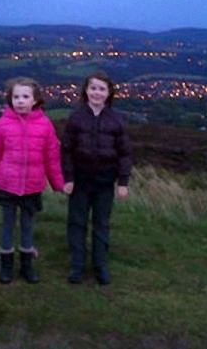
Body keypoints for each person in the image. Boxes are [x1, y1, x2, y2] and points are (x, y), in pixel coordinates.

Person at [0, 77, 65, 284]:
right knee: (7, 225)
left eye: (25, 96)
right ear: (10, 99)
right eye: (16, 96)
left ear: (35, 100)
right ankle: (6, 265)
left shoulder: (45, 125)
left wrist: (59, 184)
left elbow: (51, 158)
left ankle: (27, 265)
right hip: (6, 186)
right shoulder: (2, 125)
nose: (20, 101)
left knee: (27, 226)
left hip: (32, 187)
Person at [61, 71, 132, 285]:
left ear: (109, 93)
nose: (97, 92)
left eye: (102, 89)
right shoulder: (76, 117)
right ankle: (77, 266)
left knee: (101, 223)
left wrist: (123, 182)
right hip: (80, 180)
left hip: (105, 180)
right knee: (77, 222)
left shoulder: (116, 120)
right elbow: (66, 151)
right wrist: (69, 178)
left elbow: (125, 153)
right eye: (93, 88)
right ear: (86, 90)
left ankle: (100, 265)